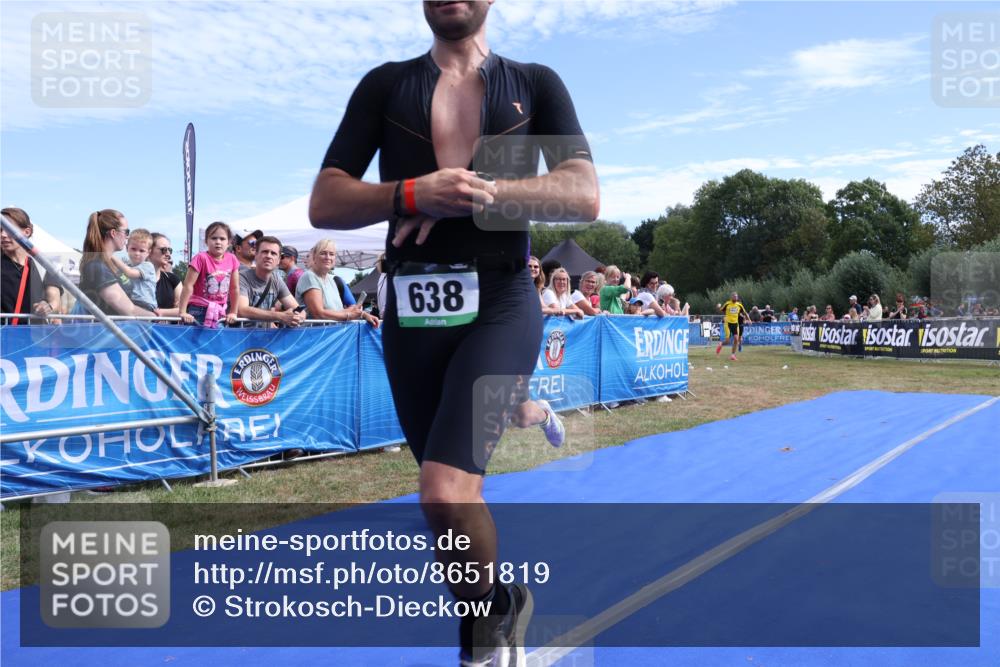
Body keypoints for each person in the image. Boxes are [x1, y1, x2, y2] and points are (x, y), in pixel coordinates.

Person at [308, 1, 598, 662]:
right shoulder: (386, 84)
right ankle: (496, 607)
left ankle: (478, 646)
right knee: (449, 504)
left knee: (444, 487)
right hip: (412, 308)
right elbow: (326, 199)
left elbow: (583, 193)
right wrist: (412, 192)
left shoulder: (534, 82)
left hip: (501, 298)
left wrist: (474, 191)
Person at [78, 210, 153, 316]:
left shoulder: (109, 265)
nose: (127, 237)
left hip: (123, 326)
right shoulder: (96, 267)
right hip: (110, 327)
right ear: (113, 233)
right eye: (126, 232)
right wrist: (157, 318)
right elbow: (129, 310)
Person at [1, 207, 63, 325]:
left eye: (9, 229)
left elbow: (54, 300)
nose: (3, 235)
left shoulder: (45, 265)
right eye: (0, 230)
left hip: (35, 334)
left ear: (27, 232)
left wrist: (47, 306)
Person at [296, 239, 379, 326]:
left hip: (332, 332)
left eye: (331, 254)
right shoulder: (309, 276)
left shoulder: (331, 279)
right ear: (314, 257)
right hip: (316, 333)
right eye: (323, 253)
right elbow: (319, 314)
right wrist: (349, 315)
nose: (328, 257)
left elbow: (338, 311)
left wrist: (363, 314)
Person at [178, 221, 241, 327]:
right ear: (206, 241)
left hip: (220, 311)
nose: (218, 242)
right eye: (213, 238)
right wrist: (182, 312)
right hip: (197, 310)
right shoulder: (200, 258)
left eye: (222, 239)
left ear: (229, 242)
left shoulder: (232, 259)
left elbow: (234, 288)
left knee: (217, 337)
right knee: (194, 338)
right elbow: (188, 285)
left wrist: (233, 312)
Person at [237, 235, 306, 328]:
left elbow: (299, 310)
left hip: (265, 334)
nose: (268, 256)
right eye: (265, 252)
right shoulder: (242, 277)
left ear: (278, 260)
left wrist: (298, 317)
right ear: (256, 255)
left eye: (273, 253)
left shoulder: (276, 279)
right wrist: (280, 316)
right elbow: (242, 310)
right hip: (240, 334)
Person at [111, 228, 157, 312]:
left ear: (148, 252)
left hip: (145, 304)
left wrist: (111, 256)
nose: (137, 253)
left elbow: (130, 273)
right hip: (130, 302)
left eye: (141, 251)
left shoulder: (148, 266)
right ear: (127, 248)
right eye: (133, 249)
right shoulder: (126, 265)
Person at [150, 233, 181, 315]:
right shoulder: (133, 277)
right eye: (163, 250)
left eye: (169, 250)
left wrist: (161, 313)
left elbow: (182, 309)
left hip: (166, 324)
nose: (168, 254)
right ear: (149, 250)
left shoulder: (173, 280)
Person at [715, 292, 749, 361]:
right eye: (734, 296)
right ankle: (721, 344)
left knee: (736, 339)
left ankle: (732, 355)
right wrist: (718, 307)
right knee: (727, 341)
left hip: (735, 324)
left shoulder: (739, 305)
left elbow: (745, 312)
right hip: (728, 323)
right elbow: (720, 310)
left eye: (736, 297)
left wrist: (749, 320)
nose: (735, 298)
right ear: (731, 297)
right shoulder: (727, 304)